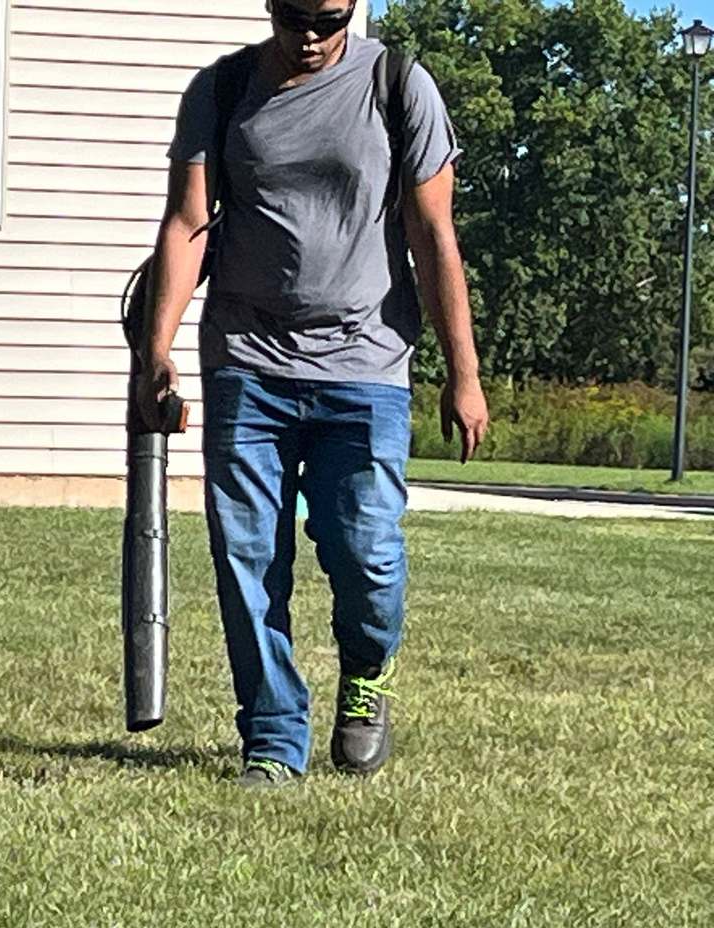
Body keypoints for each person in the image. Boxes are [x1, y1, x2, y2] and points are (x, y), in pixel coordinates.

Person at [137, 0, 490, 787]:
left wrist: (462, 373)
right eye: (296, 15)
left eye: (330, 19)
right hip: (247, 359)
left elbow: (434, 233)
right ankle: (272, 739)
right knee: (248, 556)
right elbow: (188, 222)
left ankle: (366, 673)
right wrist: (156, 354)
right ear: (269, 4)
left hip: (366, 364)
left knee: (367, 552)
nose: (311, 35)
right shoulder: (222, 91)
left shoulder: (399, 86)